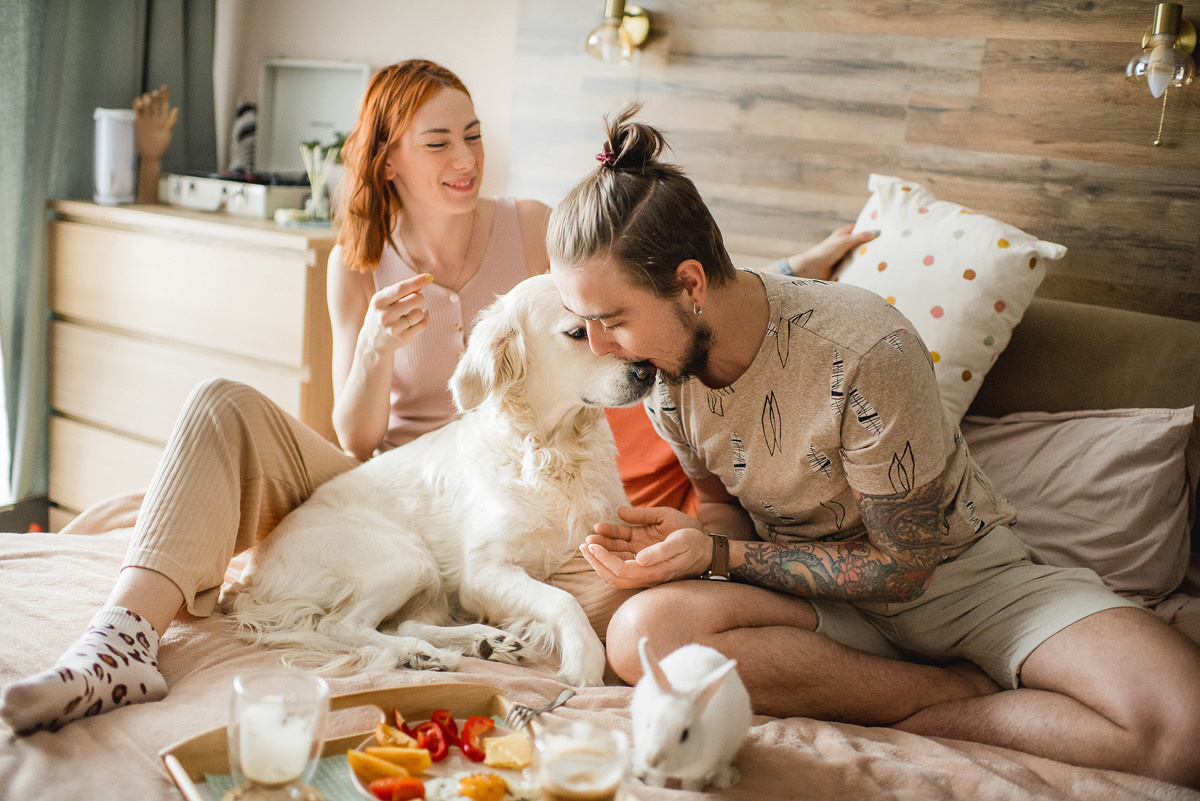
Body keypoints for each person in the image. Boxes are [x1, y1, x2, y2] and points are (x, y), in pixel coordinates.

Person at [0, 61, 852, 736]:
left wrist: (783, 276)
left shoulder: (529, 225)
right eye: (439, 142)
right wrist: (373, 346)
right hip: (385, 471)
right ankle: (116, 641)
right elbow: (354, 429)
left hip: (503, 467)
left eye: (473, 135)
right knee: (221, 401)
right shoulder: (357, 257)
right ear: (390, 160)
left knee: (597, 594)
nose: (466, 158)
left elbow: (647, 275)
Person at [548, 106, 1200, 787]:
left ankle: (928, 700)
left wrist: (719, 553)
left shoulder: (862, 347)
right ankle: (933, 693)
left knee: (1184, 730)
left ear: (689, 284)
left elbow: (903, 570)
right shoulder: (666, 381)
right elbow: (721, 507)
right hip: (817, 608)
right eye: (585, 323)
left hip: (961, 581)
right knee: (640, 635)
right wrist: (691, 538)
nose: (600, 349)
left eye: (611, 320)